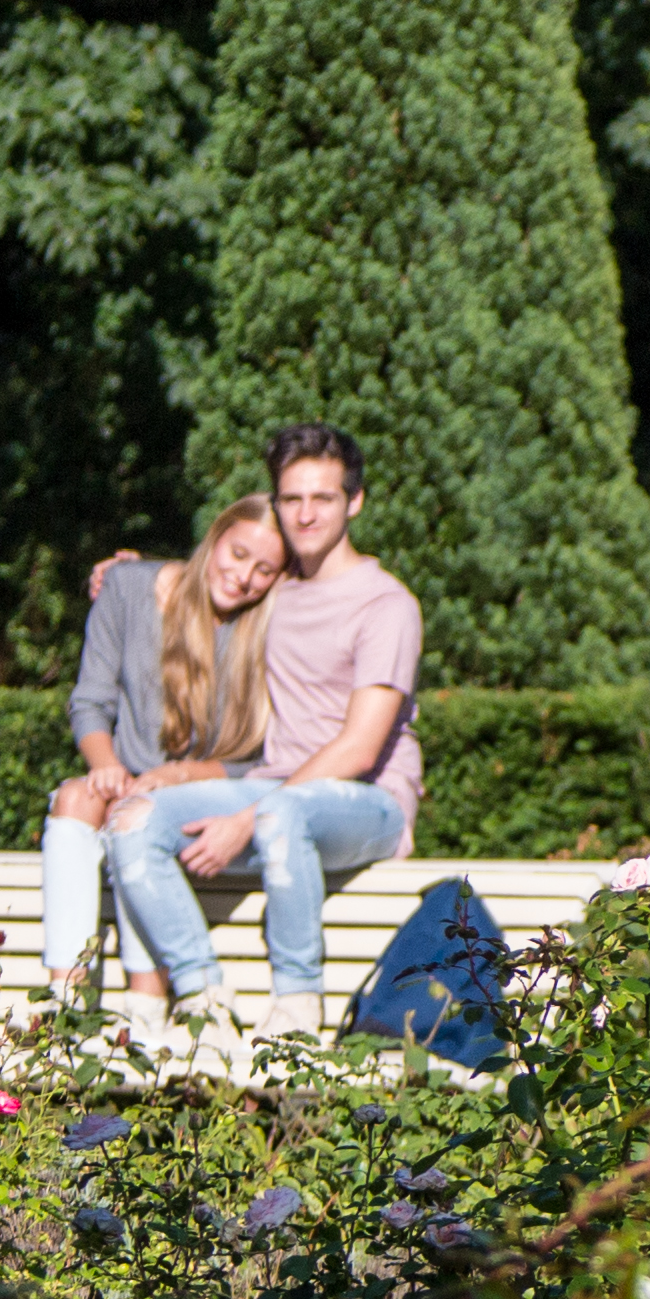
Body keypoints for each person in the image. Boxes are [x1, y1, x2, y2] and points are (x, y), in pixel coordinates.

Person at [103, 424, 425, 1014]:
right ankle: (204, 1000)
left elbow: (358, 749)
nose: (304, 514)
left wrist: (247, 819)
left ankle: (298, 1008)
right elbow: (218, 573)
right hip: (275, 794)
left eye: (322, 498)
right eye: (291, 498)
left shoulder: (388, 605)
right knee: (132, 820)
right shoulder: (276, 590)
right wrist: (129, 575)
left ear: (355, 502)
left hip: (366, 802)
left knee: (280, 813)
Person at [39, 498, 285, 1005]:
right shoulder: (128, 588)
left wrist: (181, 775)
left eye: (264, 570)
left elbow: (265, 755)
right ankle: (61, 1001)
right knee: (75, 800)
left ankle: (145, 1004)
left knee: (135, 817)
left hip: (206, 794)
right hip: (127, 780)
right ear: (212, 539)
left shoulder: (266, 628)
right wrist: (104, 765)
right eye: (237, 554)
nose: (242, 577)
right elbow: (90, 702)